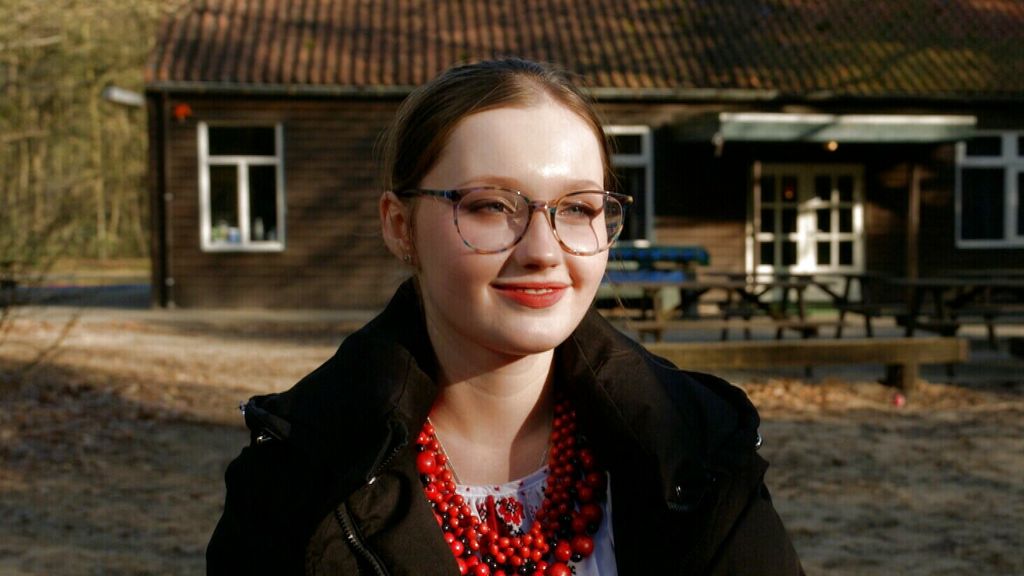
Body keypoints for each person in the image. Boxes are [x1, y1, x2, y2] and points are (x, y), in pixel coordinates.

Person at [207, 57, 804, 576]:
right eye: (492, 206)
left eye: (579, 208)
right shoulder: (299, 478)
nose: (543, 250)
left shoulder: (699, 447)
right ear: (399, 225)